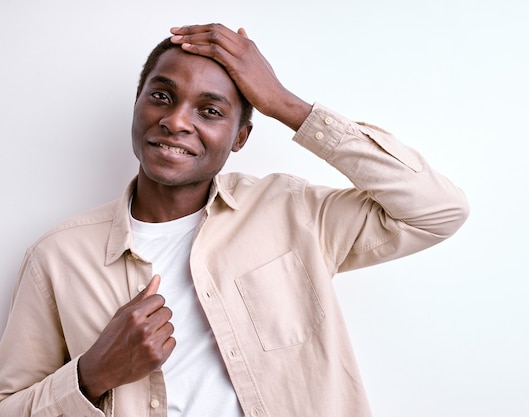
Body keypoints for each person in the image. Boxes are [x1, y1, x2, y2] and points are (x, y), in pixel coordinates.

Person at [0, 23, 469, 417]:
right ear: (138, 105)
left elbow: (437, 210)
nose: (177, 121)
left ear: (240, 137)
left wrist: (285, 105)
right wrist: (92, 375)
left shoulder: (292, 211)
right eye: (161, 96)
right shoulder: (58, 257)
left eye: (209, 110)